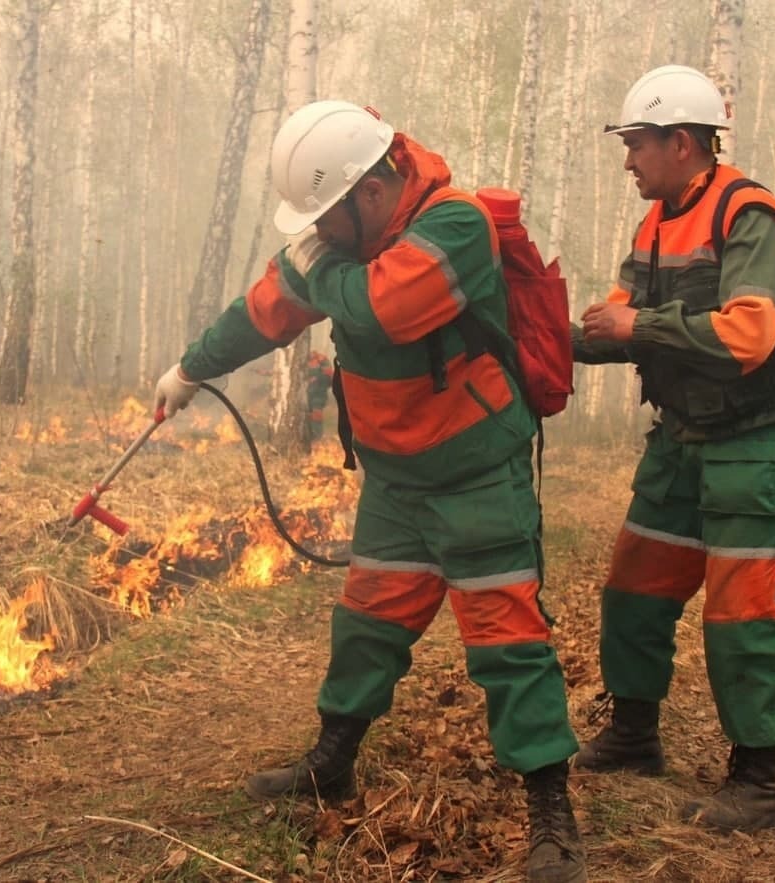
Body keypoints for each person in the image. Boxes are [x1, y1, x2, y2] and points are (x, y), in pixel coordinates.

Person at [155, 100, 586, 883]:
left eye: (325, 214)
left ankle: (552, 813)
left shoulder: (456, 227)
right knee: (366, 624)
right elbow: (266, 310)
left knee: (508, 642)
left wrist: (315, 269)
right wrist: (192, 368)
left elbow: (384, 308)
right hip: (395, 481)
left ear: (370, 192)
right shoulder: (339, 242)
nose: (316, 231)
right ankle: (333, 759)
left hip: (476, 472)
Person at [572, 65, 775, 833]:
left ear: (682, 143)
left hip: (754, 435)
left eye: (637, 145)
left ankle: (759, 781)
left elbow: (752, 331)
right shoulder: (654, 222)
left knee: (743, 608)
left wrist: (636, 328)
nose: (628, 161)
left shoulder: (747, 215)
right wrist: (555, 338)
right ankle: (635, 734)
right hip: (682, 432)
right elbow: (620, 311)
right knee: (635, 585)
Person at [305, 349, 334, 441]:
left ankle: (317, 438)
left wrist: (316, 378)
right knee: (306, 415)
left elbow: (329, 376)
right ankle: (309, 438)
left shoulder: (322, 359)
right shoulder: (301, 359)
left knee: (316, 415)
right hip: (306, 394)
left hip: (319, 393)